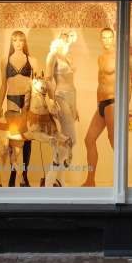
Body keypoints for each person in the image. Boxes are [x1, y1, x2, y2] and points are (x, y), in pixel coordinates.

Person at [0, 30, 38, 187]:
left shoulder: (32, 61)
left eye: (21, 40)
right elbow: (4, 85)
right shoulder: (5, 61)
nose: (18, 43)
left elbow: (36, 84)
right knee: (15, 139)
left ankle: (24, 177)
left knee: (27, 138)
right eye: (15, 40)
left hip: (27, 100)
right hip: (12, 100)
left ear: (24, 42)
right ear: (11, 42)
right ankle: (14, 177)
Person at [82, 28, 117, 187]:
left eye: (110, 37)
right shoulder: (100, 58)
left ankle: (121, 180)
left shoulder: (118, 57)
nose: (107, 40)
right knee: (89, 140)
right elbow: (100, 83)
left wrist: (125, 105)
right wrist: (98, 104)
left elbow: (128, 82)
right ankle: (90, 181)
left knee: (114, 141)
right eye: (104, 38)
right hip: (102, 103)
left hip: (113, 101)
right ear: (100, 39)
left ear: (113, 38)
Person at [44, 28, 78, 186]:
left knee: (65, 139)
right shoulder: (53, 55)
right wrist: (51, 101)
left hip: (72, 98)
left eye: (70, 36)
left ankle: (59, 179)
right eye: (65, 35)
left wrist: (75, 105)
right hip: (60, 97)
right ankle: (50, 176)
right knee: (71, 140)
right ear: (59, 35)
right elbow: (48, 79)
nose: (67, 38)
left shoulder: (68, 56)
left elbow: (72, 82)